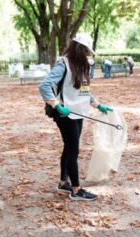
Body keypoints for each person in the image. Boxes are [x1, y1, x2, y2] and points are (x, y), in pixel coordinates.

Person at [38, 33, 113, 201]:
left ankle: (64, 183)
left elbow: (83, 90)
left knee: (69, 147)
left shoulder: (81, 65)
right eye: (86, 51)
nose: (88, 55)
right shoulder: (63, 64)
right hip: (64, 114)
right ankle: (76, 190)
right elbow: (44, 86)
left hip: (78, 113)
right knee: (73, 150)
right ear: (79, 49)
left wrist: (97, 104)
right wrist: (56, 105)